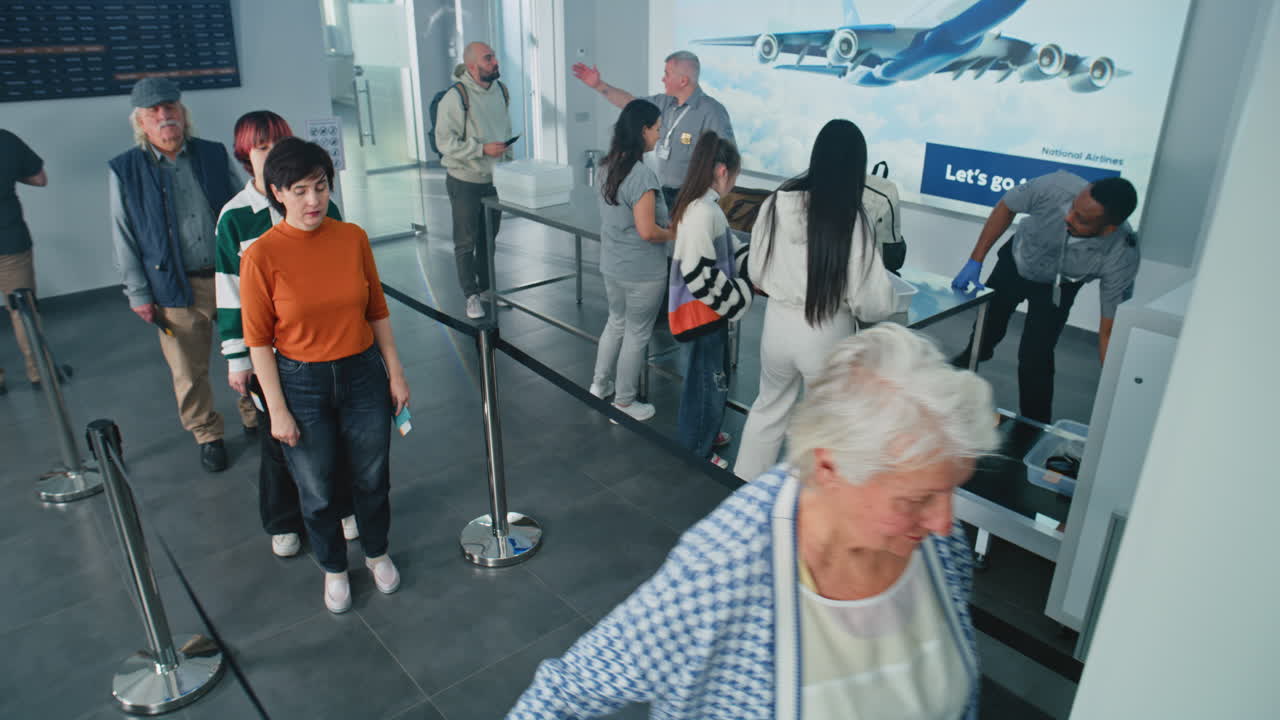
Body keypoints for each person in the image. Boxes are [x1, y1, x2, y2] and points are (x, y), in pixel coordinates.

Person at [508, 323, 998, 719]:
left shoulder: (936, 543)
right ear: (829, 468)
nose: (943, 522)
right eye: (917, 498)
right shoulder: (726, 567)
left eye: (951, 490)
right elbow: (567, 692)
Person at [240, 138, 410, 613]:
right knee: (314, 487)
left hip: (362, 374)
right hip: (301, 382)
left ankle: (376, 553)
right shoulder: (261, 256)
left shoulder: (352, 237)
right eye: (299, 190)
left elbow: (377, 312)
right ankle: (335, 568)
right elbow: (258, 342)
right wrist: (276, 410)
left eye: (320, 186)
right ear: (277, 192)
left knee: (372, 477)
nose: (313, 200)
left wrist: (395, 373)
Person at [214, 111, 358, 559]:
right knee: (280, 440)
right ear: (245, 156)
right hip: (269, 354)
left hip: (323, 347)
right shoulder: (236, 217)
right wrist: (237, 358)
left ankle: (342, 505)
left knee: (333, 433)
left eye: (278, 143)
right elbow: (230, 291)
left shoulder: (321, 205)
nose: (271, 154)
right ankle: (282, 519)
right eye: (261, 148)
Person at [734, 120, 898, 482]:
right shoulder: (854, 217)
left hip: (777, 325)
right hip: (827, 332)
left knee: (767, 408)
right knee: (823, 427)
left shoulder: (778, 201)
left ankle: (744, 488)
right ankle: (806, 503)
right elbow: (871, 301)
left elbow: (757, 271)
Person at [109, 77, 255, 472]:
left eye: (170, 107)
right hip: (174, 286)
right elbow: (124, 235)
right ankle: (208, 434)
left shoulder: (211, 154)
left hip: (229, 278)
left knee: (248, 352)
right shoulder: (126, 169)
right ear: (140, 121)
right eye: (153, 112)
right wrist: (137, 292)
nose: (164, 116)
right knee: (188, 371)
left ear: (182, 112)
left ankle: (254, 414)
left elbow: (244, 207)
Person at [950, 171, 1139, 425]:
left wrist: (1114, 391)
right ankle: (956, 381)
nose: (1068, 217)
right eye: (1072, 208)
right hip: (1017, 263)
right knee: (985, 333)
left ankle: (1035, 428)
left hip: (1060, 284)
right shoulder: (1054, 187)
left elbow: (1109, 332)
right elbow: (1006, 206)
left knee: (1036, 357)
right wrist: (976, 259)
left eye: (1081, 219)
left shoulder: (1121, 255)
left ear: (1108, 229)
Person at [668, 131, 750, 469]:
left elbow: (728, 247)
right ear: (721, 170)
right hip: (703, 315)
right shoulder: (704, 211)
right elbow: (700, 274)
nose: (734, 181)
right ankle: (697, 447)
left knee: (708, 376)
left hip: (704, 313)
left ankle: (706, 429)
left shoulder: (702, 206)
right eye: (734, 174)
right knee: (708, 382)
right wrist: (739, 300)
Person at [588, 100, 673, 421]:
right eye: (657, 129)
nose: (660, 134)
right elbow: (648, 231)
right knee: (637, 334)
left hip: (613, 265)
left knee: (616, 323)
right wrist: (674, 231)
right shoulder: (642, 177)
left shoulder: (605, 166)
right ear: (642, 131)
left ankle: (598, 385)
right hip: (642, 272)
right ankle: (623, 403)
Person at [573, 51, 734, 209]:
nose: (663, 79)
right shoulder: (663, 102)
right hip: (664, 193)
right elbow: (630, 103)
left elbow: (729, 159)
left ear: (683, 81)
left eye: (667, 74)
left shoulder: (712, 111)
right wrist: (599, 85)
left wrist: (711, 198)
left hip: (693, 198)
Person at [435, 41, 513, 320]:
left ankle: (487, 290)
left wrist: (508, 163)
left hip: (495, 179)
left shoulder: (502, 91)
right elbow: (444, 143)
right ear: (472, 66)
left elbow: (504, 129)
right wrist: (480, 149)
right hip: (465, 179)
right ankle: (471, 295)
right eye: (488, 58)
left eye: (494, 56)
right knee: (465, 241)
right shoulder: (454, 98)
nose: (495, 62)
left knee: (488, 239)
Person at [0, 129, 47, 395]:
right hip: (9, 239)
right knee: (22, 310)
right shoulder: (4, 139)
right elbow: (40, 179)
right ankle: (39, 371)